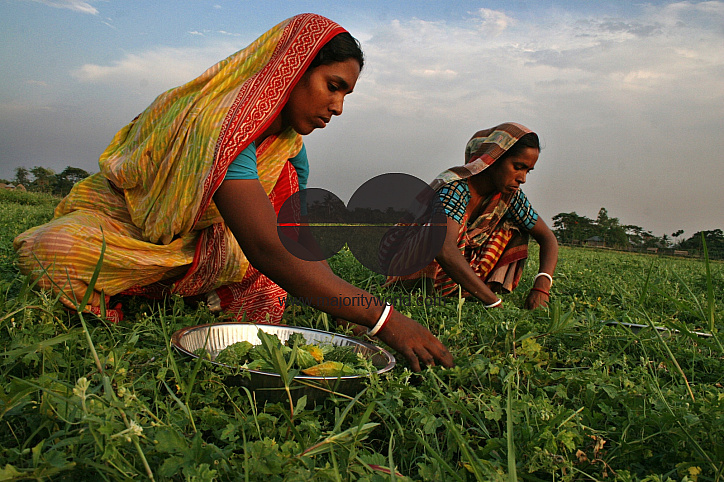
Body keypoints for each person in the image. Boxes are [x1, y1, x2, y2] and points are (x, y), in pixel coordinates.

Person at [13, 13, 453, 372]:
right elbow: (266, 246)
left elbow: (293, 237)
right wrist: (384, 320)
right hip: (129, 230)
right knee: (54, 250)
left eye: (346, 94)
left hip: (196, 246)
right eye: (333, 86)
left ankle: (161, 293)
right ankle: (142, 294)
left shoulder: (287, 146)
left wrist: (346, 306)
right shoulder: (222, 129)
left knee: (272, 289)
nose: (338, 107)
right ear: (292, 70)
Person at [386, 122, 558, 310]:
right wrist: (493, 302)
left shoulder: (508, 196)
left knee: (514, 229)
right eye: (518, 167)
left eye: (527, 171)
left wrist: (542, 286)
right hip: (410, 268)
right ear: (493, 160)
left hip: (452, 274)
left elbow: (547, 238)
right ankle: (430, 290)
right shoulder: (455, 187)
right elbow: (444, 248)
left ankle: (468, 291)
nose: (522, 178)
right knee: (443, 230)